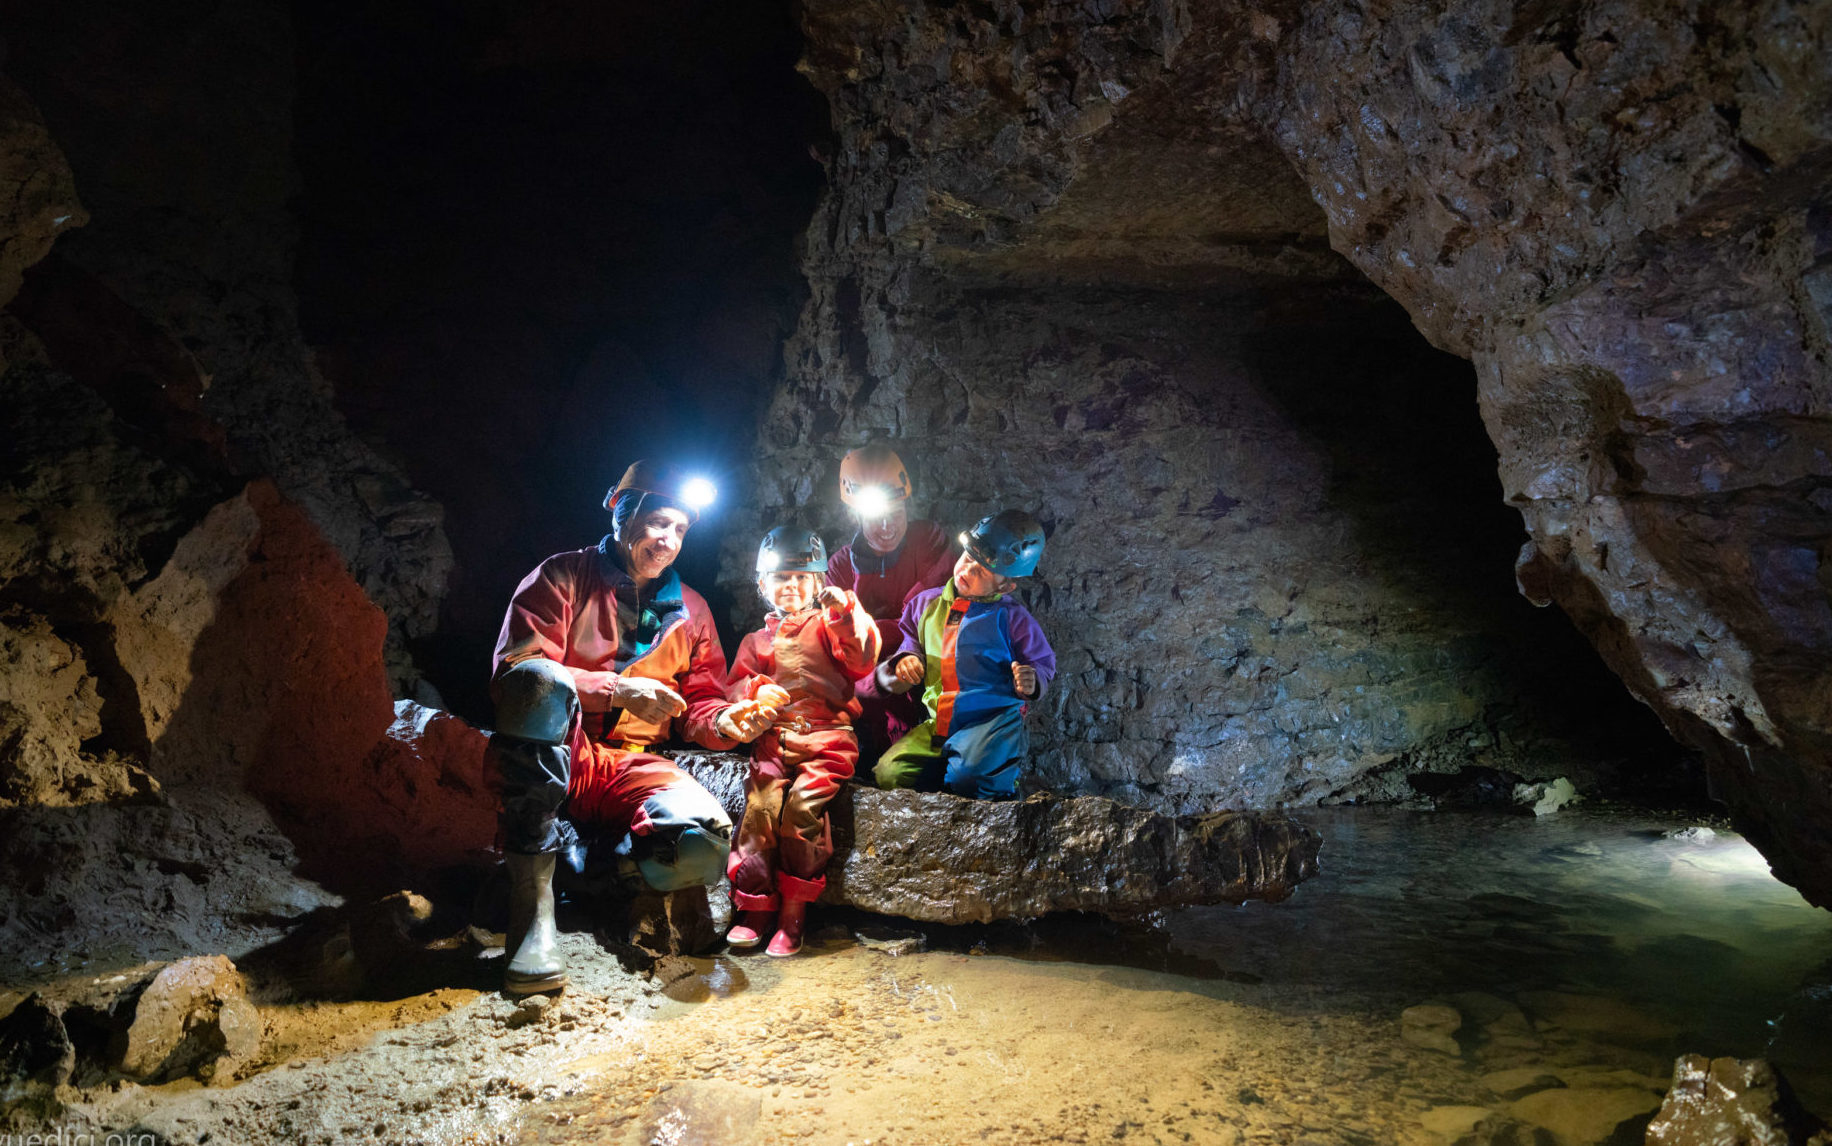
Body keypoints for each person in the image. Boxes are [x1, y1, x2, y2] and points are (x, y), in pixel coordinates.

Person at [485, 460, 777, 994]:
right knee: (540, 683)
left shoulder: (691, 611)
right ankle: (532, 912)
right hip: (560, 747)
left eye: (681, 530)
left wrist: (729, 722)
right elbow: (515, 675)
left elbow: (698, 707)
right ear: (622, 512)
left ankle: (591, 872)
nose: (668, 540)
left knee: (699, 843)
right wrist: (615, 689)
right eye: (658, 523)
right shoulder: (561, 577)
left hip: (627, 763)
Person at [723, 527, 880, 956]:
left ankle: (794, 912)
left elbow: (862, 658)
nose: (791, 586)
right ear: (762, 585)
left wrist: (845, 613)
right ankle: (755, 907)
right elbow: (733, 687)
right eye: (780, 577)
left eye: (801, 577)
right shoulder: (757, 640)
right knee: (758, 809)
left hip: (828, 738)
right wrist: (754, 691)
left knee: (802, 809)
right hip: (775, 740)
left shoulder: (829, 625)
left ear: (817, 584)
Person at [874, 509, 1057, 800]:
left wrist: (1032, 680)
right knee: (890, 773)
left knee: (971, 781)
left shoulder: (1013, 618)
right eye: (968, 558)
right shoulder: (926, 605)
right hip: (940, 721)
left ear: (1006, 585)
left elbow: (1043, 662)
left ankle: (1000, 784)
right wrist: (907, 660)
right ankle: (952, 771)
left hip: (992, 722)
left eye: (981, 570)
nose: (966, 570)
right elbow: (910, 640)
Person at [824, 445, 956, 764]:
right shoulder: (840, 567)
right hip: (869, 692)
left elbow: (931, 614)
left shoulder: (928, 540)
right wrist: (880, 673)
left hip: (923, 676)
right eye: (876, 518)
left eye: (896, 514)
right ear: (854, 515)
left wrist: (877, 631)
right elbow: (838, 647)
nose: (887, 527)